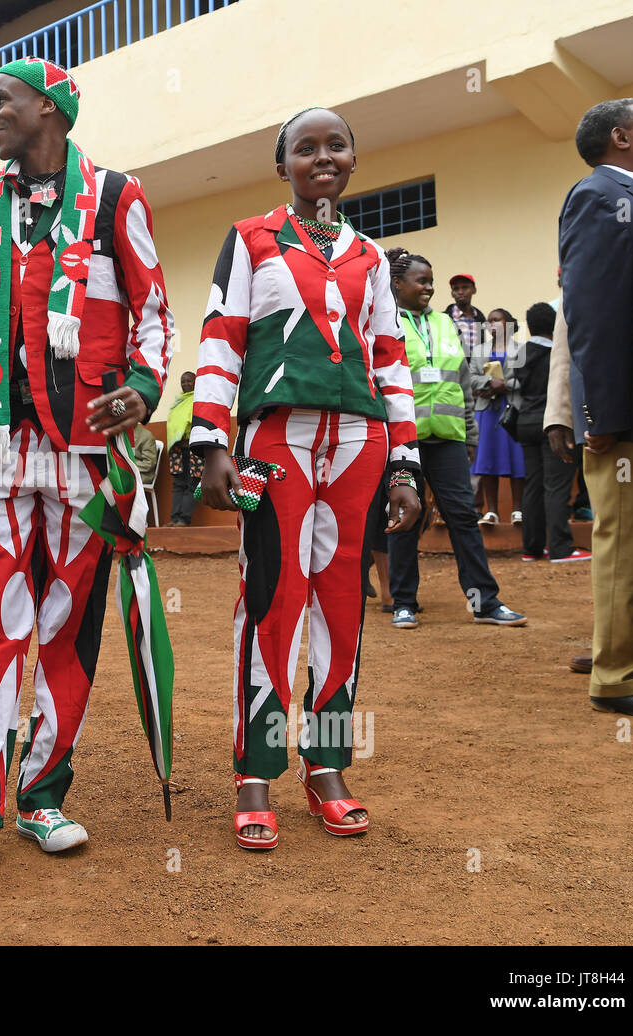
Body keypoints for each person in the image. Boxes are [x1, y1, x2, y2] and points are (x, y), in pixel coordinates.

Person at [0, 58, 174, 892]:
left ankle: (43, 794)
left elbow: (154, 313)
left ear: (49, 109)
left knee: (68, 625)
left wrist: (142, 386)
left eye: (2, 103)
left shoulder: (118, 196)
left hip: (88, 457)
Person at [192, 107, 421, 851]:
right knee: (270, 600)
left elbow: (389, 357)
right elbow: (222, 337)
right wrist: (210, 440)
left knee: (343, 609)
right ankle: (254, 770)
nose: (323, 157)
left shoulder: (373, 260)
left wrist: (405, 463)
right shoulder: (251, 240)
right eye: (305, 148)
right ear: (282, 165)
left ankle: (326, 765)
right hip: (270, 443)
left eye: (336, 145)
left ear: (354, 159)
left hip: (360, 444)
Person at [558, 98, 633, 720]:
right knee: (628, 546)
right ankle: (620, 676)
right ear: (621, 136)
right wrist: (599, 417)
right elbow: (595, 313)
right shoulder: (599, 197)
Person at [384, 249, 528, 632]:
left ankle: (484, 601)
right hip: (404, 441)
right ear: (398, 284)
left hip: (448, 439)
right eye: (421, 280)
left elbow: (462, 381)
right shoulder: (385, 321)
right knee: (406, 518)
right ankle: (403, 603)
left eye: (431, 280)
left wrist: (470, 434)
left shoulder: (446, 325)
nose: (429, 287)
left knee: (464, 517)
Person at [514, 303, 588, 563]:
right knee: (557, 486)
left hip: (524, 424)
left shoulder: (521, 354)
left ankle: (532, 548)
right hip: (553, 423)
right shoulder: (558, 355)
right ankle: (560, 548)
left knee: (533, 485)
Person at [471, 309, 526, 525]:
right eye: (489, 321)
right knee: (487, 460)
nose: (492, 324)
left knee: (515, 458)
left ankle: (517, 511)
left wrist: (505, 385)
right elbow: (470, 378)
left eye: (497, 320)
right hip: (487, 411)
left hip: (512, 410)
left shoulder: (520, 349)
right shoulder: (479, 351)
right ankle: (491, 511)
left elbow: (527, 379)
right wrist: (488, 384)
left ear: (509, 324)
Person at [165, 371, 202, 526]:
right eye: (183, 381)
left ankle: (184, 519)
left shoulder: (199, 400)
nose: (186, 384)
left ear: (195, 382)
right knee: (178, 484)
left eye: (189, 381)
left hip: (194, 448)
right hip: (178, 450)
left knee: (192, 483)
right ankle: (174, 519)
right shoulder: (179, 402)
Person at [442, 273, 486, 359]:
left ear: (474, 290)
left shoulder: (480, 318)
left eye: (465, 287)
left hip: (476, 370)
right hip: (454, 369)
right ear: (452, 293)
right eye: (456, 289)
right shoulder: (443, 318)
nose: (460, 292)